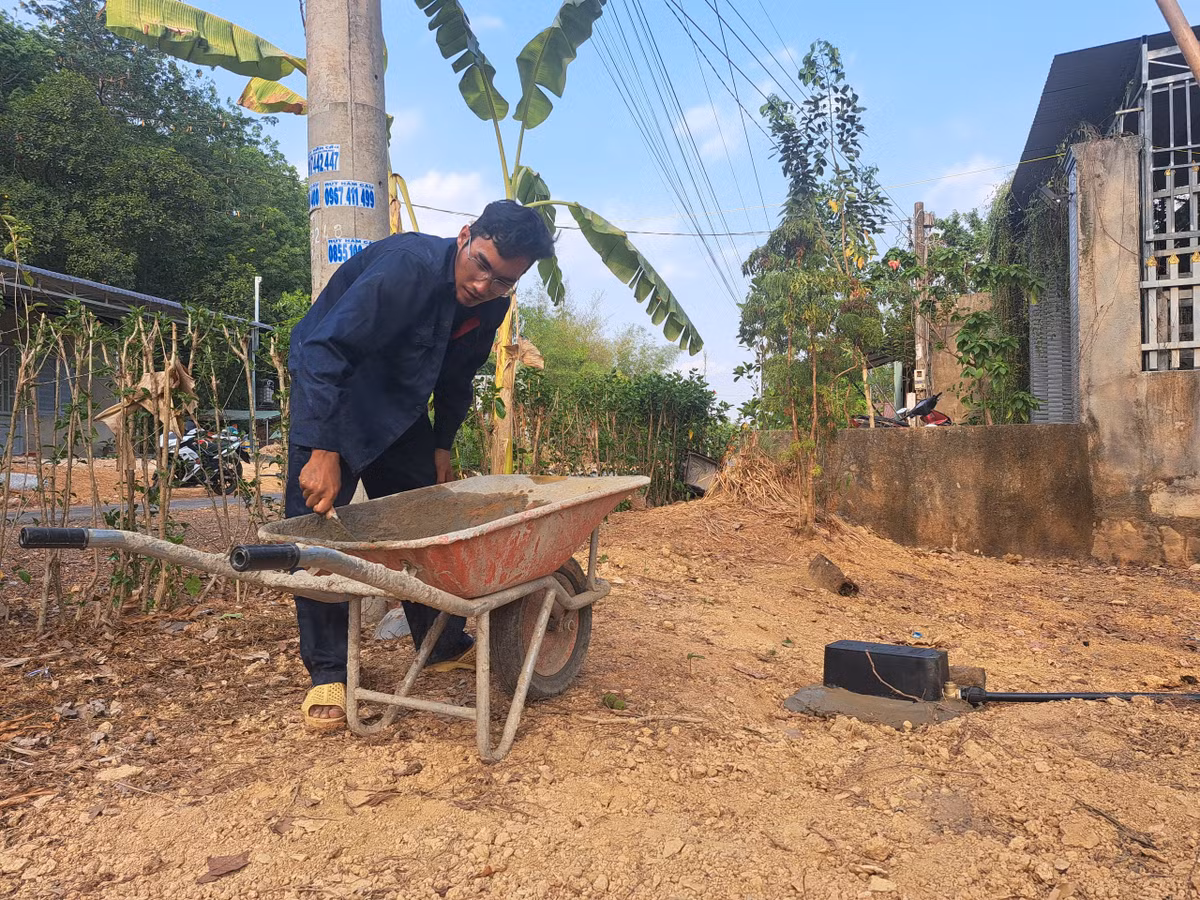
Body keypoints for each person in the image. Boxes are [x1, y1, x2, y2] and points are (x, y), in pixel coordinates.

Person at [286, 200, 556, 731]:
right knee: (318, 535)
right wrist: (322, 448)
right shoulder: (405, 267)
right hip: (334, 399)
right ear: (464, 237)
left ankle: (440, 643)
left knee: (427, 523)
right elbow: (323, 350)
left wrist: (441, 449)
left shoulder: (490, 307)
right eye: (482, 265)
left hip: (400, 413)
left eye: (504, 281)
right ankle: (328, 674)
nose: (485, 286)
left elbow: (455, 380)